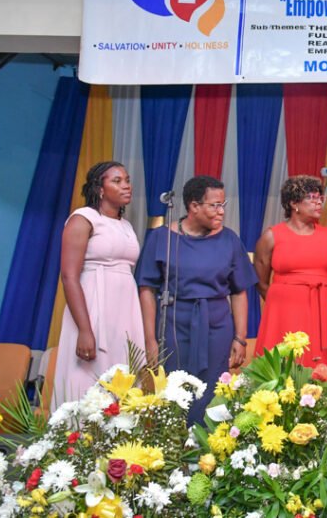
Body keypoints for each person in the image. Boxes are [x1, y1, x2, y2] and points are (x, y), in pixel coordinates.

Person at [136, 175, 257, 423]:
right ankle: (174, 452)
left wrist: (240, 337)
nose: (221, 211)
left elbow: (239, 291)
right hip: (173, 325)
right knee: (174, 391)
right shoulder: (161, 238)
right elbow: (147, 289)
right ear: (193, 206)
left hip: (216, 326)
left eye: (223, 204)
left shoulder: (229, 239)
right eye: (214, 205)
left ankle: (208, 451)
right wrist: (150, 339)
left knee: (212, 391)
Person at [53, 161, 144, 408]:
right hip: (92, 308)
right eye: (117, 181)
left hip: (123, 310)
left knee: (121, 376)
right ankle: (76, 441)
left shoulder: (125, 225)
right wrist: (84, 329)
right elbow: (69, 276)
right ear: (100, 189)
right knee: (86, 379)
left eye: (127, 180)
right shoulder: (84, 218)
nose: (126, 185)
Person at [253, 175, 327, 369]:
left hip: (320, 309)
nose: (318, 202)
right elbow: (260, 280)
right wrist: (283, 299)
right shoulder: (272, 236)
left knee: (318, 367)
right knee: (284, 364)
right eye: (312, 198)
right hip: (284, 310)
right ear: (293, 203)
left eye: (320, 198)